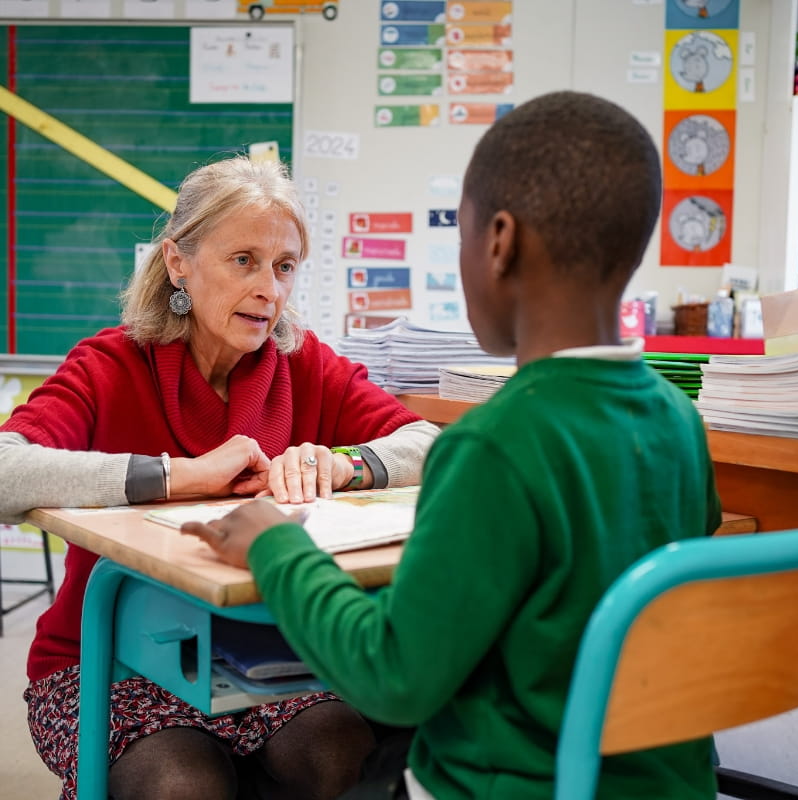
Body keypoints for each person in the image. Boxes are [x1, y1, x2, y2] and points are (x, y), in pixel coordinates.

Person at [182, 91, 722, 800]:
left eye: (460, 235)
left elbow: (394, 675)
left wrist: (277, 548)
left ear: (498, 242)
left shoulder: (494, 444)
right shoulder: (676, 419)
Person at [0, 155, 439, 800]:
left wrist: (345, 464)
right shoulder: (109, 363)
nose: (270, 289)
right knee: (183, 785)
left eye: (284, 266)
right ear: (179, 262)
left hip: (270, 658)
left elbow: (433, 446)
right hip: (107, 664)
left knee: (341, 753)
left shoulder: (304, 362)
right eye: (244, 261)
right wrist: (179, 476)